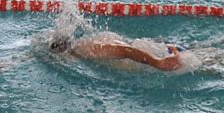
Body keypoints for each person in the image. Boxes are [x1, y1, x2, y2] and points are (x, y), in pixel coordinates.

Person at [49, 33, 184, 72]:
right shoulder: (82, 47)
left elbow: (124, 50)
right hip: (152, 49)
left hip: (158, 55)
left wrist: (157, 62)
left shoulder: (87, 49)